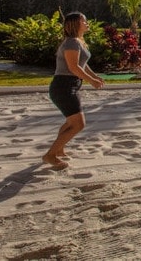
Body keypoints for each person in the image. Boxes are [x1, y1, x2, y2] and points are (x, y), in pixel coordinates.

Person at [43, 12, 104, 169]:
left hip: (68, 86)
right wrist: (91, 81)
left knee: (71, 122)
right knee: (78, 124)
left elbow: (83, 64)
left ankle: (59, 148)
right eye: (84, 20)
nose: (87, 22)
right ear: (76, 23)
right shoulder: (71, 43)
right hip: (64, 86)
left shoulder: (78, 42)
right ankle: (50, 155)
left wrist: (95, 76)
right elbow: (73, 67)